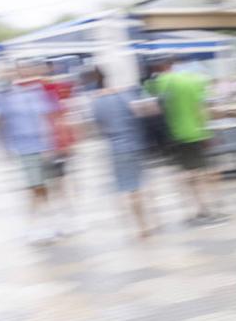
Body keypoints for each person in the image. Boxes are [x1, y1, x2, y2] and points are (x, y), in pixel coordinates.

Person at [0, 64, 62, 243]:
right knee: (36, 187)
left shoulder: (35, 94)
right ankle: (39, 224)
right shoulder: (6, 98)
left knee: (40, 187)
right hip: (26, 147)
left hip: (37, 145)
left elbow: (48, 119)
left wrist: (49, 144)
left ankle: (40, 224)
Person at [152, 57, 226, 225]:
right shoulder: (194, 80)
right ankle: (214, 207)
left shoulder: (160, 82)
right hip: (198, 133)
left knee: (186, 173)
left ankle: (196, 209)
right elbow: (200, 108)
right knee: (207, 171)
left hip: (177, 134)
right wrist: (207, 131)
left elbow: (160, 108)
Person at [86, 67, 154, 239]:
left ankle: (134, 225)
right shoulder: (125, 95)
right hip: (136, 144)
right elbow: (142, 113)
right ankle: (146, 223)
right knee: (140, 185)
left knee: (125, 188)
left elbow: (97, 127)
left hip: (116, 148)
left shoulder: (96, 102)